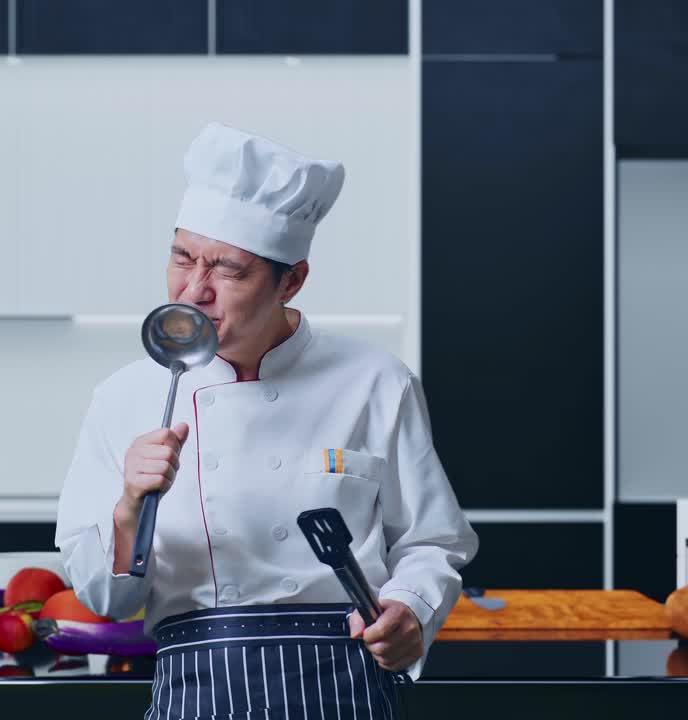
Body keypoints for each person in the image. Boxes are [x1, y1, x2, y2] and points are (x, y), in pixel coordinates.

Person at [56, 122, 478, 719]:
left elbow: (432, 539)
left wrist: (410, 608)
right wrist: (128, 511)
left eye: (229, 271)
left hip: (344, 689)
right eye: (181, 258)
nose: (194, 290)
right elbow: (108, 600)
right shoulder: (122, 398)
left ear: (292, 280)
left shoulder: (376, 381)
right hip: (195, 693)